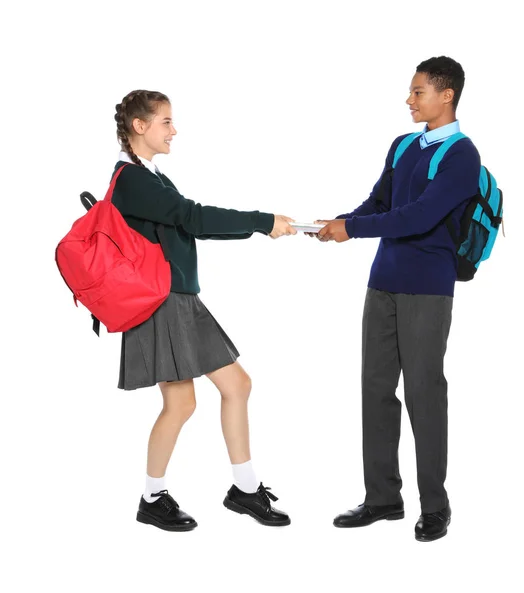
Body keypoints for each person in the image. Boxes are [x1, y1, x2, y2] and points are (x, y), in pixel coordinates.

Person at [111, 89, 296, 531]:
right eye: (166, 122)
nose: (173, 131)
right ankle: (163, 497)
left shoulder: (148, 176)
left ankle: (235, 491)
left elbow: (186, 221)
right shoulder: (132, 180)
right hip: (163, 303)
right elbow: (192, 218)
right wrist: (260, 220)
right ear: (141, 126)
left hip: (178, 299)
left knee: (223, 389)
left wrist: (260, 223)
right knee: (185, 402)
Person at [313, 56, 480, 542]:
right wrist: (336, 223)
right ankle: (383, 498)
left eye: (418, 91)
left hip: (428, 286)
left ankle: (435, 506)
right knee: (375, 390)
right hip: (382, 281)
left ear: (446, 95)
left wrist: (354, 229)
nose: (409, 100)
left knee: (424, 394)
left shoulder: (461, 155)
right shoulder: (404, 144)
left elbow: (420, 217)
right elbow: (380, 204)